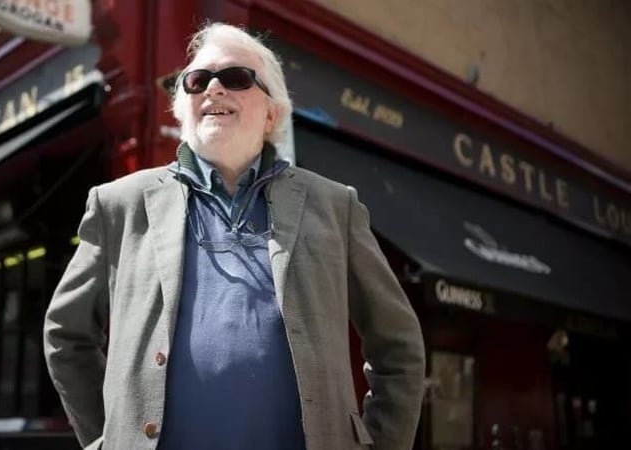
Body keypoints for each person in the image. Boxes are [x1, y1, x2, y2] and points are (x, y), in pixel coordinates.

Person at [44, 22, 425, 450]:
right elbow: (66, 334)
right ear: (181, 107)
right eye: (197, 80)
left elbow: (399, 347)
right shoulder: (119, 205)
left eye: (236, 78)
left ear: (272, 114)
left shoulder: (337, 208)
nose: (214, 90)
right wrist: (109, 437)